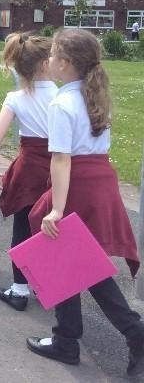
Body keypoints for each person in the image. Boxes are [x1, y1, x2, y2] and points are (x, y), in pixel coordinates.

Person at [25, 29, 144, 374]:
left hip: (77, 184)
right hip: (99, 181)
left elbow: (61, 159)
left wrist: (57, 209)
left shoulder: (62, 102)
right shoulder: (95, 95)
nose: (48, 61)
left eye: (53, 55)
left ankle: (81, 337)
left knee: (66, 257)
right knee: (78, 261)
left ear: (63, 63)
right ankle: (78, 336)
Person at [0, 33, 56, 311]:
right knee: (50, 229)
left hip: (29, 171)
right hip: (57, 171)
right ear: (48, 64)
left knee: (23, 228)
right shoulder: (64, 97)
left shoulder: (16, 98)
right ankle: (45, 283)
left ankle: (20, 288)